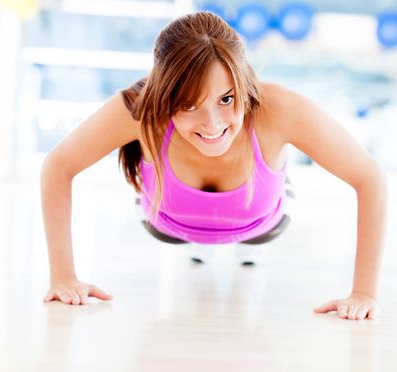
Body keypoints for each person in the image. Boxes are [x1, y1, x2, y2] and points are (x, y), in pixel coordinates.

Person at [41, 12, 388, 320]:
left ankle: (267, 187)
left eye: (226, 99)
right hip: (166, 221)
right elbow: (58, 166)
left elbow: (369, 177)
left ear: (243, 84)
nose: (212, 125)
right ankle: (202, 231)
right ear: (163, 94)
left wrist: (364, 293)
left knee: (257, 218)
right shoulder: (139, 108)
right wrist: (63, 276)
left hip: (261, 222)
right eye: (188, 105)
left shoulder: (278, 107)